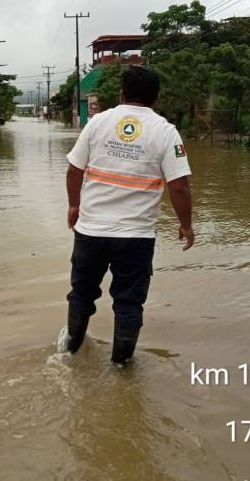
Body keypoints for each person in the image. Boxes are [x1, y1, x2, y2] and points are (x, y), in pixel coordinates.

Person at [63, 65, 194, 365]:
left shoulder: (98, 122)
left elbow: (74, 169)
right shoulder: (166, 131)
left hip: (91, 231)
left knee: (81, 295)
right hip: (136, 238)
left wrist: (74, 205)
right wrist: (186, 225)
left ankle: (70, 354)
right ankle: (122, 368)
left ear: (121, 92)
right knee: (128, 303)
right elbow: (180, 187)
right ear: (156, 98)